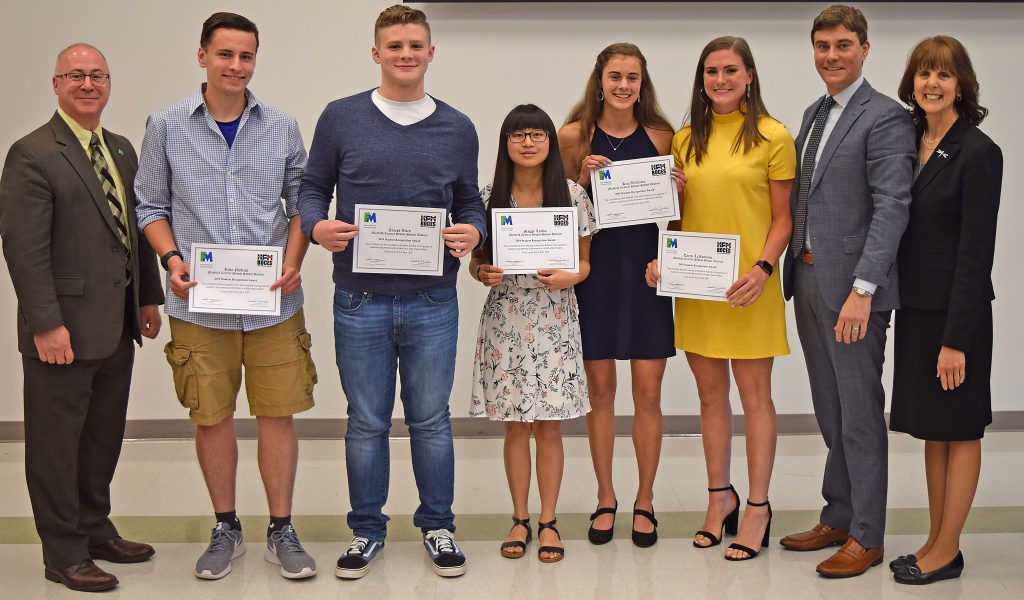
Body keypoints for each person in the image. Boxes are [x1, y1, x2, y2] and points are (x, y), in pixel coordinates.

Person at [297, 4, 485, 580]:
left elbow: (470, 200)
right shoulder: (341, 117)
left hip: (432, 300)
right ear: (376, 53)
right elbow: (311, 189)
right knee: (366, 421)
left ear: (431, 53)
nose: (406, 54)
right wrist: (316, 227)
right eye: (394, 45)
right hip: (359, 299)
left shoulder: (457, 127)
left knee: (431, 420)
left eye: (416, 45)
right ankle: (366, 531)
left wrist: (472, 231)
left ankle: (437, 526)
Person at [135, 12, 317, 580]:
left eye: (246, 56)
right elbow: (150, 207)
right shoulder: (165, 125)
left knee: (276, 415)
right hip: (198, 302)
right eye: (225, 55)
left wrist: (293, 262)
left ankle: (281, 529)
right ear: (202, 57)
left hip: (273, 303)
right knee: (210, 417)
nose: (236, 66)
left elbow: (301, 206)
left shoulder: (282, 126)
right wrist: (171, 259)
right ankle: (225, 526)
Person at [0, 43, 163, 592]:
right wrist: (45, 322)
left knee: (101, 439)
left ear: (109, 83)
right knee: (56, 446)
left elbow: (134, 229)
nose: (87, 84)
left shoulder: (119, 150)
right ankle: (63, 552)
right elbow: (24, 249)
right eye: (76, 75)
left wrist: (147, 298)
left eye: (97, 75)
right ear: (56, 84)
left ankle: (95, 529)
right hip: (61, 332)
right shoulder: (32, 152)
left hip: (115, 326)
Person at [778, 4, 916, 578]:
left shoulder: (886, 117)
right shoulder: (814, 113)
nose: (831, 56)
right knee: (831, 411)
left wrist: (863, 288)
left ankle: (867, 535)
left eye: (842, 45)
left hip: (854, 291)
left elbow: (893, 207)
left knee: (859, 415)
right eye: (822, 46)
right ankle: (838, 513)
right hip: (808, 277)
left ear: (864, 49)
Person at [644, 36, 794, 560]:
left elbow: (783, 219)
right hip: (698, 288)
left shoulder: (774, 136)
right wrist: (664, 256)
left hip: (749, 288)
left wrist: (762, 269)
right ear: (701, 78)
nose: (721, 79)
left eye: (731, 70)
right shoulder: (685, 139)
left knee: (755, 399)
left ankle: (756, 507)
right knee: (711, 397)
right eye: (711, 71)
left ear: (750, 75)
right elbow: (679, 219)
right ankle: (719, 498)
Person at [887, 35, 1001, 585]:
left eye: (944, 75)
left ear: (962, 84)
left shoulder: (979, 152)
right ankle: (936, 540)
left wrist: (956, 338)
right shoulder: (907, 141)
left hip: (958, 318)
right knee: (934, 430)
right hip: (915, 311)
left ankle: (948, 549)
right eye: (924, 73)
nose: (932, 84)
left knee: (961, 430)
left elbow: (975, 254)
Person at [557, 42, 678, 547]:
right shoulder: (572, 135)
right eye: (615, 76)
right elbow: (556, 213)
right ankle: (606, 497)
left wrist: (670, 248)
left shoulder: (662, 135)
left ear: (642, 82)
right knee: (600, 393)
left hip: (648, 273)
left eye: (632, 77)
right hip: (596, 273)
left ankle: (644, 500)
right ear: (600, 80)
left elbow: (675, 217)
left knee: (648, 394)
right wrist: (580, 180)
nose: (623, 85)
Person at [469, 104, 596, 563]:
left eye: (537, 134)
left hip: (554, 321)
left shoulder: (575, 196)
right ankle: (519, 518)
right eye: (518, 134)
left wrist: (572, 277)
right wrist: (482, 272)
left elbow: (584, 264)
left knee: (549, 427)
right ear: (505, 144)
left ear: (549, 142)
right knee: (515, 428)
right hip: (506, 321)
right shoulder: (489, 197)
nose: (528, 142)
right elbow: (475, 262)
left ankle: (549, 521)